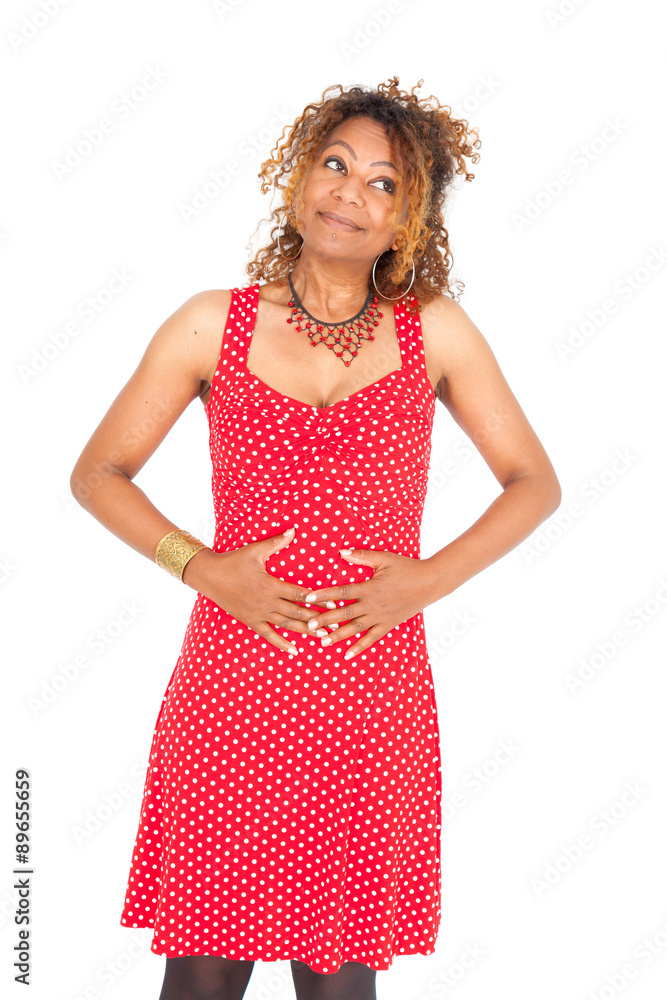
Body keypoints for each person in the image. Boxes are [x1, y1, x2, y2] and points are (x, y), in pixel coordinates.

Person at [70, 76, 561, 1000]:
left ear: (408, 219)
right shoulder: (211, 323)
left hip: (371, 697)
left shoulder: (432, 332)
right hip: (233, 688)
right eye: (335, 164)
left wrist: (424, 582)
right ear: (298, 177)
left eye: (383, 183)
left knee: (337, 982)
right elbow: (98, 473)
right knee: (203, 974)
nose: (349, 192)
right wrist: (204, 569)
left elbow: (534, 483)